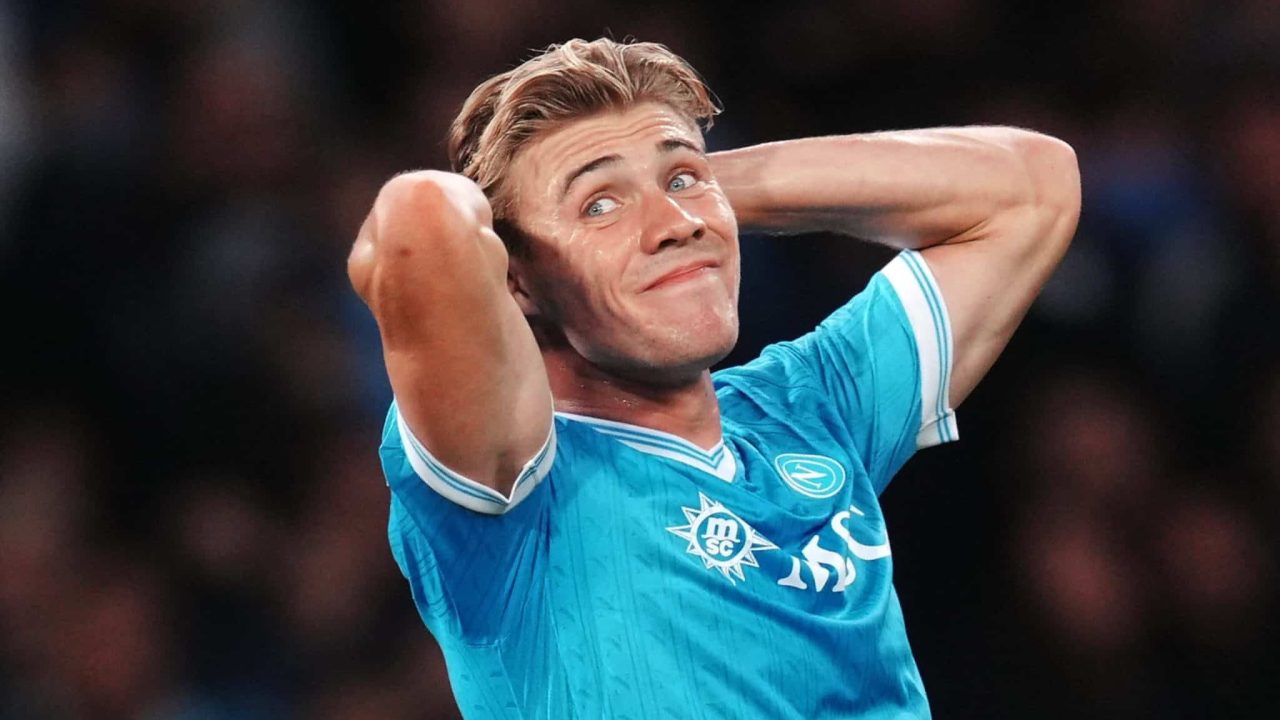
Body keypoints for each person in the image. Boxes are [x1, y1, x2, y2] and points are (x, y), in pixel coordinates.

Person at [347, 38, 1080, 719]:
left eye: (683, 180)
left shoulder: (811, 405)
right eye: (598, 206)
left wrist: (696, 188)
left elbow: (1034, 187)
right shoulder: (511, 492)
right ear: (516, 282)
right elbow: (419, 223)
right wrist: (536, 217)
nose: (678, 223)